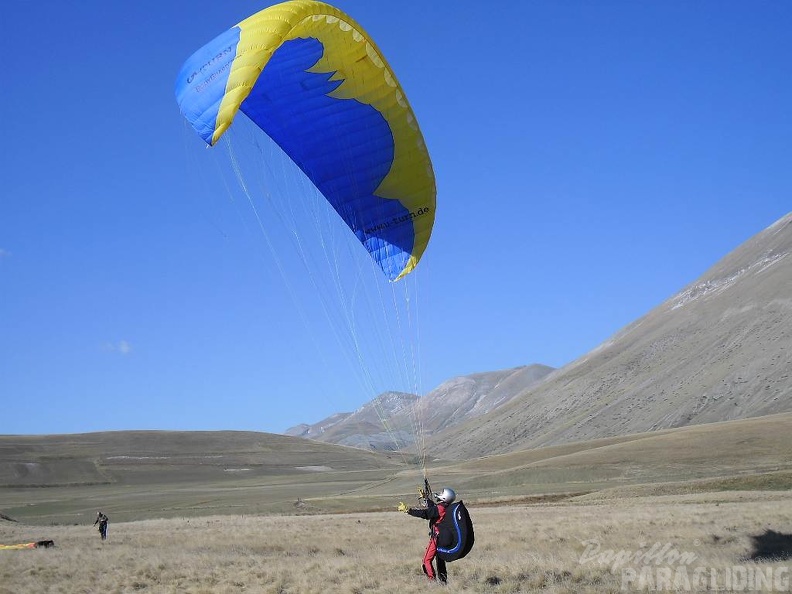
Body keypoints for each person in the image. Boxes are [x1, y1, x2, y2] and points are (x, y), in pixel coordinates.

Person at [398, 487, 456, 584]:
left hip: (436, 538)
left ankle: (432, 581)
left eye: (442, 493)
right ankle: (443, 582)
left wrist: (408, 510)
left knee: (426, 560)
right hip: (442, 538)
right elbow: (433, 508)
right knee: (440, 561)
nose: (440, 494)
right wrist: (426, 498)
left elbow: (426, 513)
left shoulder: (440, 508)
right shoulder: (445, 507)